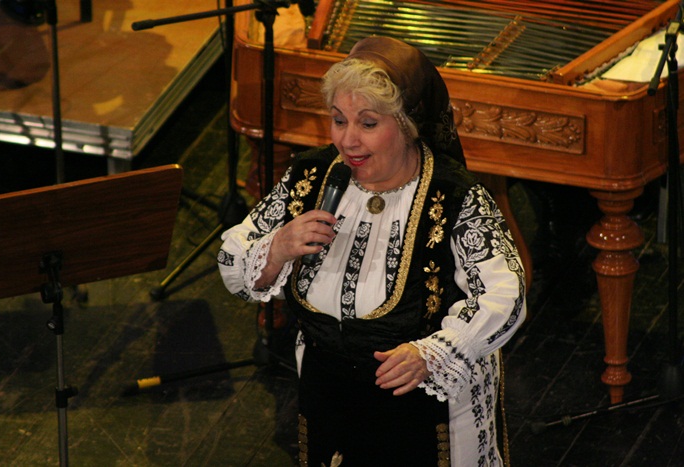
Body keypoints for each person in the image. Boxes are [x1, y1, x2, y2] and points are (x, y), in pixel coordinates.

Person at [218, 36, 526, 466]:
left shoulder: (454, 196)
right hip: (328, 394)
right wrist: (277, 249)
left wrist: (433, 353)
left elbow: (505, 294)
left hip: (422, 399)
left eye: (367, 123)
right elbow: (235, 255)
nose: (348, 140)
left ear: (407, 124)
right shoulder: (310, 177)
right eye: (338, 120)